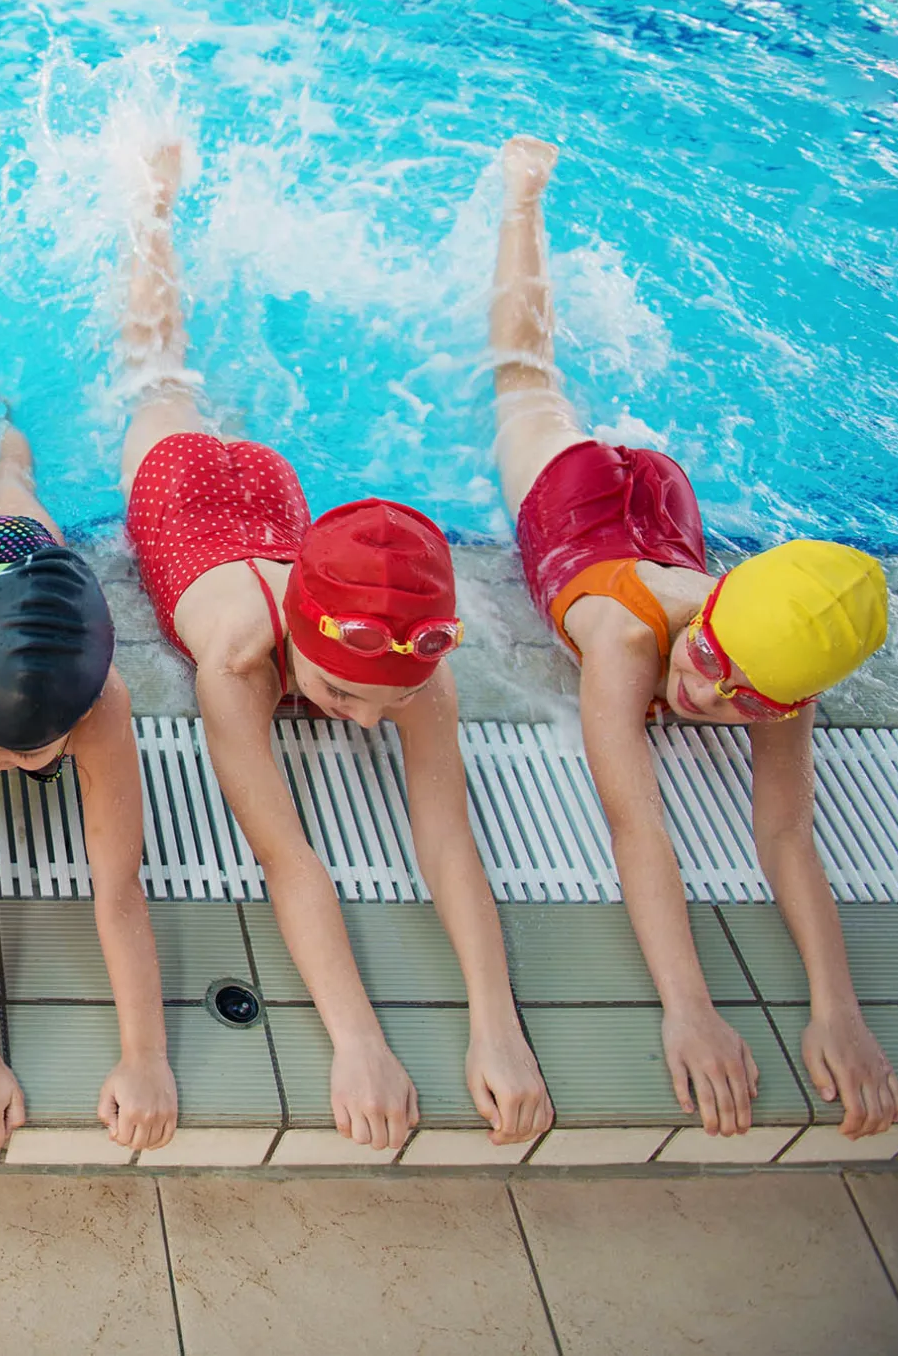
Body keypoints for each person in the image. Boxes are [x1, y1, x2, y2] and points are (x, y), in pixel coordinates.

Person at [117, 144, 552, 1154]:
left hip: (274, 504)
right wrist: (357, 1041)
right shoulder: (238, 659)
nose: (362, 721)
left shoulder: (410, 664)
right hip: (179, 488)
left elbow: (448, 840)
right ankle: (153, 205)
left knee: (192, 377)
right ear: (298, 646)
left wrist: (499, 1027)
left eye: (377, 702)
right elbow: (288, 855)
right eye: (340, 693)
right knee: (159, 369)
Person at [488, 134, 898, 1140]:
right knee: (524, 378)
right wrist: (690, 1007)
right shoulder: (628, 642)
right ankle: (522, 199)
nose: (706, 696)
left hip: (666, 512)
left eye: (742, 696)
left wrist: (839, 1010)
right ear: (707, 618)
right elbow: (638, 827)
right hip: (578, 500)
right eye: (708, 661)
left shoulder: (775, 659)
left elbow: (786, 833)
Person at [0, 264, 177, 1156]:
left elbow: (119, 890)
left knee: (0, 471)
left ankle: (8, 416)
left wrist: (146, 1057)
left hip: (28, 566)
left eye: (14, 756)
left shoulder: (102, 705)